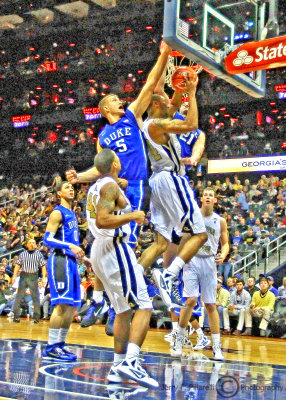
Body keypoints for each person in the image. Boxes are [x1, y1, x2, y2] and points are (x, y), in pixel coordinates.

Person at [66, 41, 172, 248]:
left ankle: (126, 273)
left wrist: (165, 54)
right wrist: (78, 177)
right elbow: (100, 169)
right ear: (106, 109)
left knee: (129, 235)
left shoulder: (131, 117)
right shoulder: (103, 137)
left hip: (138, 183)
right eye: (114, 100)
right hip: (117, 187)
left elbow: (150, 84)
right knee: (112, 236)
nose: (119, 101)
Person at [86, 149, 157, 389]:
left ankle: (117, 367)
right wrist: (134, 215)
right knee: (145, 305)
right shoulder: (109, 187)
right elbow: (103, 220)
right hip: (114, 248)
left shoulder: (99, 186)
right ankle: (131, 362)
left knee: (123, 310)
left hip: (100, 249)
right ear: (115, 163)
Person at [140, 78, 208, 306]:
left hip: (158, 181)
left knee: (162, 242)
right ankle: (169, 276)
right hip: (172, 178)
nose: (172, 103)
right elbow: (191, 125)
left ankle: (137, 276)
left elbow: (175, 106)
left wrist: (181, 90)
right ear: (158, 105)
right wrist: (193, 93)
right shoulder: (157, 124)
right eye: (167, 101)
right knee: (200, 234)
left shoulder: (150, 122)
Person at [172, 188, 229, 360]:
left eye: (211, 195)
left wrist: (224, 254)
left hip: (210, 261)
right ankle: (178, 341)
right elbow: (182, 239)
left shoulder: (220, 221)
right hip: (192, 260)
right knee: (189, 301)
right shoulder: (192, 217)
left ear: (214, 201)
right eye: (205, 195)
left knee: (211, 305)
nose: (208, 197)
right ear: (201, 199)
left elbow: (225, 243)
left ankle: (217, 348)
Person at [42, 181, 86, 361]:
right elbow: (47, 239)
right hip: (59, 260)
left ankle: (60, 345)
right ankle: (51, 347)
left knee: (71, 306)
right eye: (67, 187)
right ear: (59, 192)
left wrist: (81, 253)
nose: (71, 189)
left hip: (71, 262)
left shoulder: (73, 215)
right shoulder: (58, 212)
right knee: (61, 306)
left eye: (72, 187)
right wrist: (70, 246)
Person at [11, 238, 46, 323]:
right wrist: (14, 276)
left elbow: (43, 266)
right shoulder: (23, 254)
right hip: (24, 275)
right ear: (26, 245)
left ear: (36, 245)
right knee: (19, 296)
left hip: (34, 276)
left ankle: (36, 318)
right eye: (30, 243)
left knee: (35, 297)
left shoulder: (39, 254)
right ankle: (16, 316)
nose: (32, 244)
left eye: (33, 243)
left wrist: (44, 277)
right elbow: (17, 265)